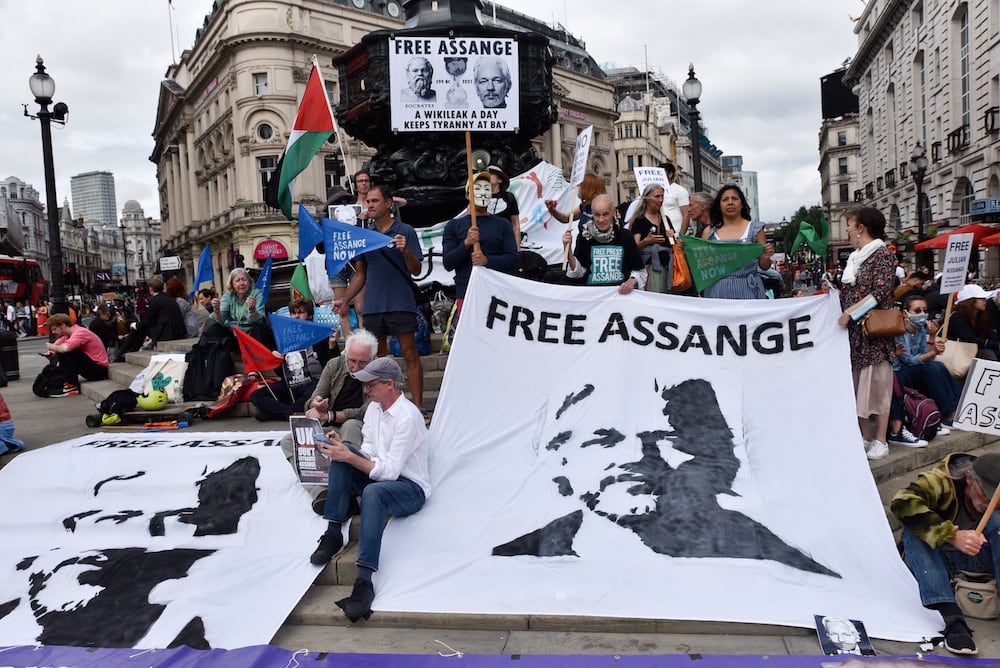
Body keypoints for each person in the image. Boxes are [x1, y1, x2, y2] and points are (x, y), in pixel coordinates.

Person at [308, 357, 430, 623]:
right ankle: (332, 533)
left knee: (370, 487)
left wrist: (351, 457)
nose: (365, 390)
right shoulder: (375, 409)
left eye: (370, 384)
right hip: (384, 479)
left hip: (411, 488)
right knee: (345, 453)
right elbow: (371, 453)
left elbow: (391, 472)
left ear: (389, 384)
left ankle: (364, 578)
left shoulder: (408, 416)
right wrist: (345, 449)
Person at [890, 451, 1000, 656]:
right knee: (912, 528)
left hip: (976, 562)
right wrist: (951, 535)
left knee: (997, 519)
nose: (989, 502)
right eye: (986, 495)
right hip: (935, 564)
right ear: (969, 479)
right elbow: (901, 502)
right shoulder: (939, 481)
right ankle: (952, 620)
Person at [333, 184, 426, 413]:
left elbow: (416, 270)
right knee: (376, 359)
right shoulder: (365, 236)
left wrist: (406, 251)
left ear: (388, 203)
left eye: (375, 201)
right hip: (374, 304)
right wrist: (345, 300)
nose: (370, 205)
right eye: (368, 201)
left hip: (400, 301)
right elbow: (360, 274)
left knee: (409, 353)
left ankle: (418, 407)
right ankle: (380, 407)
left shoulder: (406, 231)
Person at [838, 205, 897, 461]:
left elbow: (880, 293)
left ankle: (880, 439)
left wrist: (851, 312)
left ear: (861, 227)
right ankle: (864, 436)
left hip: (874, 332)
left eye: (849, 224)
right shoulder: (855, 258)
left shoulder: (882, 255)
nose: (847, 230)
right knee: (859, 384)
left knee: (878, 386)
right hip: (855, 336)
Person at [250, 299, 338, 421]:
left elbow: (333, 365)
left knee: (313, 392)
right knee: (256, 396)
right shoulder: (285, 337)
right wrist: (276, 360)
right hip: (291, 384)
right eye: (293, 313)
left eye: (300, 312)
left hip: (314, 382)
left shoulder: (321, 336)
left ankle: (280, 412)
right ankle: (292, 413)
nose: (296, 316)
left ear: (310, 316)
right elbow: (281, 373)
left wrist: (332, 345)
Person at [443, 171, 519, 310]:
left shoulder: (503, 224)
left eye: (487, 188)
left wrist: (487, 260)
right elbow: (448, 263)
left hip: (498, 296)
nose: (483, 193)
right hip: (467, 294)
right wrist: (466, 243)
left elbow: (513, 259)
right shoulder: (453, 226)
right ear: (468, 195)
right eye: (477, 189)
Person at [892, 294, 961, 440]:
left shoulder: (921, 329)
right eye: (917, 311)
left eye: (924, 310)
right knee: (932, 368)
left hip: (917, 369)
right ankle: (948, 413)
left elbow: (927, 355)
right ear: (906, 313)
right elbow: (908, 360)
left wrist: (932, 336)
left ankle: (958, 408)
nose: (922, 314)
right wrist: (932, 353)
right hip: (902, 371)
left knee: (938, 366)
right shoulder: (900, 330)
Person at [700, 184, 773, 300]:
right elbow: (702, 265)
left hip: (748, 291)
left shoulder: (755, 229)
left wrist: (766, 256)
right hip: (717, 292)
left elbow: (764, 266)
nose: (730, 202)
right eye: (725, 199)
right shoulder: (709, 232)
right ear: (719, 206)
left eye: (734, 199)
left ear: (742, 204)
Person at [562, 194, 645, 293]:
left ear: (613, 213)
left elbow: (640, 271)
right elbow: (578, 273)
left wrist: (632, 281)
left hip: (620, 297)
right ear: (592, 214)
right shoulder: (584, 236)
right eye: (597, 215)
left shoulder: (625, 236)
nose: (601, 220)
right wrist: (568, 251)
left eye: (605, 214)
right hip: (594, 297)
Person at [114, 277, 187, 361]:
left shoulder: (155, 301)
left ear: (151, 289)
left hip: (165, 333)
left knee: (137, 329)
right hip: (177, 331)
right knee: (140, 328)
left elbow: (147, 320)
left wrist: (135, 325)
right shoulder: (170, 299)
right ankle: (126, 352)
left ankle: (123, 353)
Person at [43, 313, 109, 397]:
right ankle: (66, 381)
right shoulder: (69, 334)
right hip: (93, 367)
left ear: (62, 326)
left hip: (100, 370)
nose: (53, 332)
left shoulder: (80, 333)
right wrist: (52, 352)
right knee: (62, 349)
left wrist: (53, 347)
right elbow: (59, 343)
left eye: (55, 329)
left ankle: (71, 385)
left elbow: (65, 348)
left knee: (70, 351)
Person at [629, 183, 676, 293]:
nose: (661, 200)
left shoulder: (666, 220)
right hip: (650, 269)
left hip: (667, 268)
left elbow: (673, 244)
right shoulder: (639, 220)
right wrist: (647, 241)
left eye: (662, 196)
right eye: (657, 196)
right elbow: (634, 248)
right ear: (647, 198)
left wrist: (673, 238)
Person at [207, 268, 269, 343]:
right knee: (213, 329)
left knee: (259, 328)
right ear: (232, 284)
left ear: (249, 282)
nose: (242, 283)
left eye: (244, 280)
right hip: (233, 332)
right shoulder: (228, 295)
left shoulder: (257, 293)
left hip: (251, 331)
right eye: (238, 280)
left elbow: (259, 320)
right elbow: (221, 319)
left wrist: (252, 310)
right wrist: (217, 310)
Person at [947, 284, 1000, 361]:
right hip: (960, 352)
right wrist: (997, 345)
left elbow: (990, 333)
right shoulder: (956, 317)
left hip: (974, 349)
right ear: (971, 301)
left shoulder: (980, 315)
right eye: (981, 298)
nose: (985, 300)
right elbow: (971, 340)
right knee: (987, 354)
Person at [485, 165, 521, 248]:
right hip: (486, 244)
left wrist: (517, 247)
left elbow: (515, 224)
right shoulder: (481, 197)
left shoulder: (509, 197)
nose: (488, 175)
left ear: (500, 180)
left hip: (505, 242)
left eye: (491, 173)